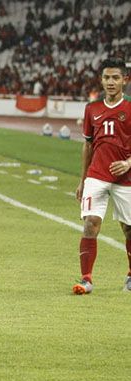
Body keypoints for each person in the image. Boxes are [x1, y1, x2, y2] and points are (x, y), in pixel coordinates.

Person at [74, 57, 131, 295]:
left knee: (128, 229)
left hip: (125, 179)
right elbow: (87, 146)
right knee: (90, 224)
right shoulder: (92, 109)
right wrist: (82, 179)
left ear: (125, 80)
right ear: (101, 79)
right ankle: (86, 280)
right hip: (96, 176)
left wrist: (129, 162)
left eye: (115, 77)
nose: (110, 82)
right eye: (107, 77)